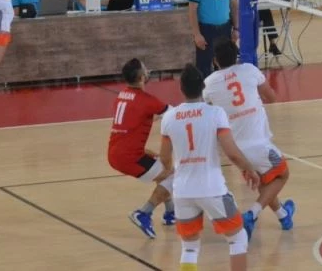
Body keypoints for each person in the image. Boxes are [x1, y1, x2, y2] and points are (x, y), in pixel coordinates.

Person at [160, 64, 260, 271]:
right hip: (211, 188)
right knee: (238, 238)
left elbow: (165, 158)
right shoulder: (215, 113)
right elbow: (232, 153)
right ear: (202, 87)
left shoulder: (169, 117)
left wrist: (172, 168)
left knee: (189, 247)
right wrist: (248, 168)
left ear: (181, 88)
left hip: (182, 191)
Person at [203, 38, 295, 239]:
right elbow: (271, 98)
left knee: (264, 181)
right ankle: (251, 215)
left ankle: (283, 215)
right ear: (236, 57)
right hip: (258, 144)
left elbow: (208, 113)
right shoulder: (249, 70)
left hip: (234, 150)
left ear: (215, 61)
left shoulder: (209, 84)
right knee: (282, 175)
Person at [107, 58, 175, 239]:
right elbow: (175, 114)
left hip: (116, 152)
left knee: (163, 169)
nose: (147, 71)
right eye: (145, 69)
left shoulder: (122, 95)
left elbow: (132, 124)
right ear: (141, 77)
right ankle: (144, 213)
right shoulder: (147, 101)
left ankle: (170, 213)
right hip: (129, 158)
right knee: (172, 176)